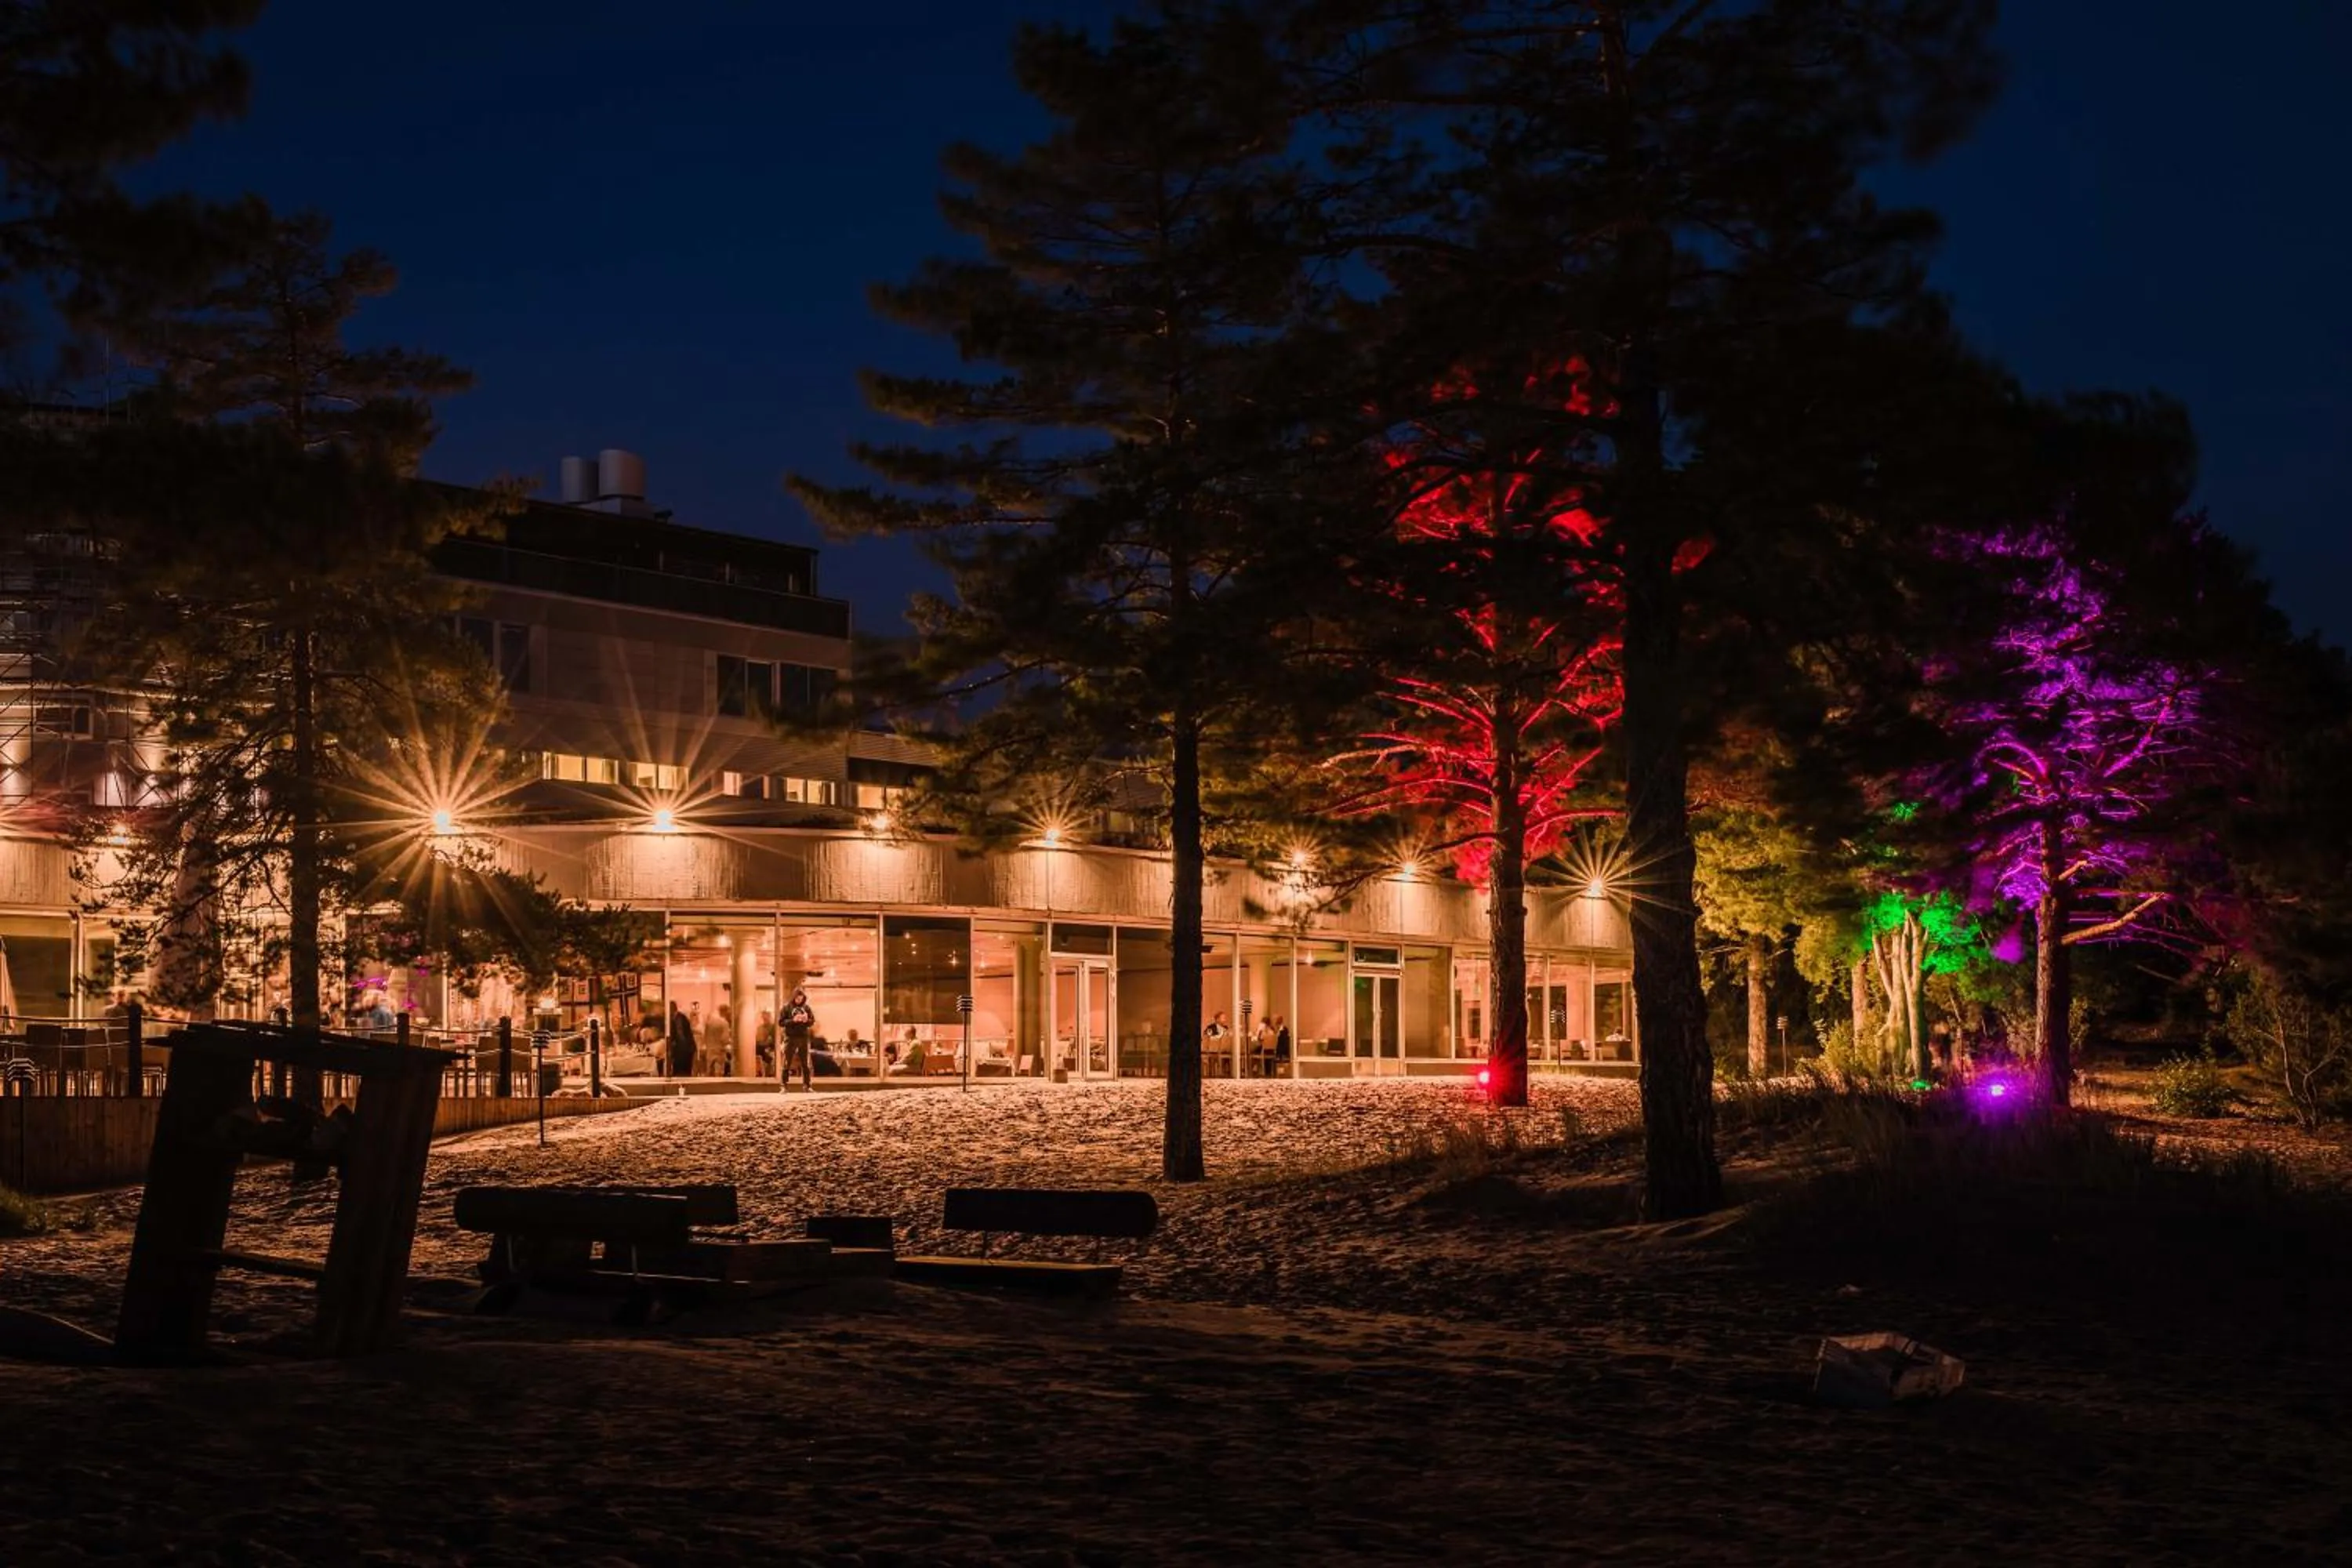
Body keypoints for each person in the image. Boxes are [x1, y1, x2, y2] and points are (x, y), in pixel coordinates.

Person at [779, 989, 816, 1087]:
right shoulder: (787, 1008)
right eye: (797, 999)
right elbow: (781, 1022)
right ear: (794, 998)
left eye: (801, 999)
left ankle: (807, 1085)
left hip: (803, 1037)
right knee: (787, 1061)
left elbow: (812, 1021)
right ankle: (784, 1085)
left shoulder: (807, 1008)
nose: (799, 1001)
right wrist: (793, 1021)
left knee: (805, 1063)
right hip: (790, 1037)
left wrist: (806, 1020)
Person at [666, 1002, 696, 1078]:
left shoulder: (678, 1019)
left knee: (682, 1073)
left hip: (684, 1051)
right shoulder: (680, 1017)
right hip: (686, 1049)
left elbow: (681, 1037)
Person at [1203, 1010, 1232, 1075]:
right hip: (1212, 1049)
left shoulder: (1226, 1028)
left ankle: (1226, 1072)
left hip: (1224, 1049)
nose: (1224, 1020)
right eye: (1223, 1018)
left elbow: (1227, 1038)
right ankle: (1215, 1073)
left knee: (1228, 1054)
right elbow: (1207, 1037)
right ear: (1217, 1019)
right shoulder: (1211, 1027)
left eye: (1225, 1018)